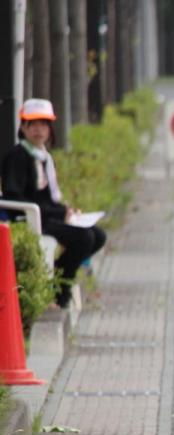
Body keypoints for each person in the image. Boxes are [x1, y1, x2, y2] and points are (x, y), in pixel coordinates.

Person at [1, 98, 107, 308]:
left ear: (50, 129)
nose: (38, 130)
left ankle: (58, 277)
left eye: (44, 125)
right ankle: (60, 290)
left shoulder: (44, 157)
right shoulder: (18, 156)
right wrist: (58, 215)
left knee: (98, 236)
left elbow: (48, 198)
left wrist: (66, 210)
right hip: (27, 218)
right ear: (23, 127)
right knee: (84, 238)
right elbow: (14, 196)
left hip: (47, 216)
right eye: (33, 124)